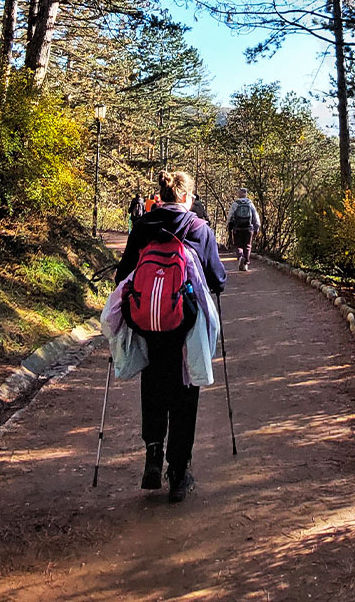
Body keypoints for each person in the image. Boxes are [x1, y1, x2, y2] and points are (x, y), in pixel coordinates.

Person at [114, 170, 226, 502]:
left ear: (161, 196)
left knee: (153, 383)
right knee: (184, 392)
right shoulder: (199, 229)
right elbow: (217, 279)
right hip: (184, 324)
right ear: (188, 198)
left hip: (147, 322)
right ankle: (178, 472)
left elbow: (123, 276)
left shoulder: (143, 226)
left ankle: (152, 456)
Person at [226, 187, 260, 271]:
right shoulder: (250, 203)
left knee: (238, 245)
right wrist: (257, 226)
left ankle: (241, 256)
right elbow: (255, 215)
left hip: (237, 228)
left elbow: (230, 215)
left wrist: (228, 226)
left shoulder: (236, 203)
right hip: (249, 228)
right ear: (246, 194)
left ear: (240, 194)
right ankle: (245, 264)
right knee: (247, 246)